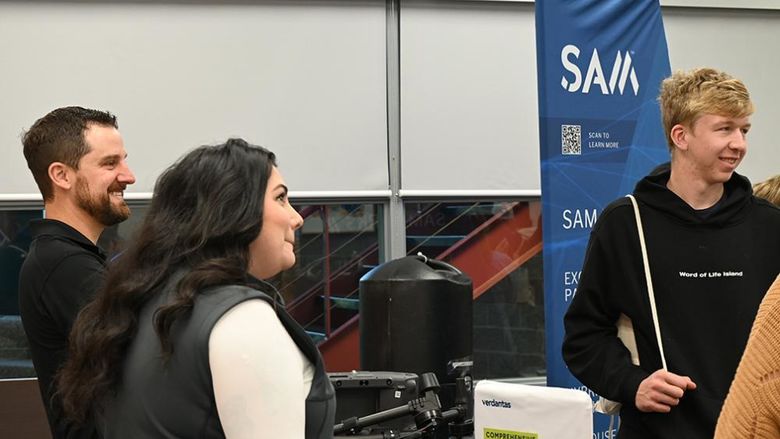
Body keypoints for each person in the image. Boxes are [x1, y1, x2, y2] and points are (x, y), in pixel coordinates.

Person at [56, 138, 335, 439]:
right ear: (232, 210)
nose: (295, 218)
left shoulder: (139, 305)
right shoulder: (244, 319)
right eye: (280, 198)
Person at [562, 67, 780, 438]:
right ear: (681, 135)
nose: (739, 144)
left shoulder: (770, 225)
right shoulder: (626, 224)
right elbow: (583, 335)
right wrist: (633, 383)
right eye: (724, 129)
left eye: (743, 130)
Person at [18, 106, 136, 438]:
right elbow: (145, 364)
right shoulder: (64, 265)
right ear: (62, 176)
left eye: (123, 160)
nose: (129, 176)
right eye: (110, 163)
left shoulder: (68, 257)